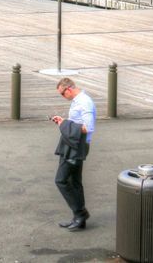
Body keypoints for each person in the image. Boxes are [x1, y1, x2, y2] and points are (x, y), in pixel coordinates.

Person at [50, 77, 95, 231]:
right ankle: (79, 217)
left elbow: (87, 127)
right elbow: (77, 123)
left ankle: (80, 213)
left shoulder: (84, 102)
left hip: (76, 147)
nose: (63, 97)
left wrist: (64, 124)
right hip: (73, 144)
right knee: (74, 181)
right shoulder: (78, 100)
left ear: (68, 89)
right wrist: (63, 121)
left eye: (62, 94)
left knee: (61, 180)